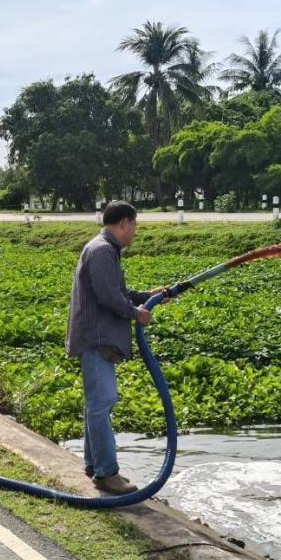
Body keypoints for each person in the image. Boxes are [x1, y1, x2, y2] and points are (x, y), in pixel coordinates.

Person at [65, 200, 163, 494]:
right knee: (102, 403)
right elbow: (109, 296)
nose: (135, 232)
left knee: (97, 403)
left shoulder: (105, 249)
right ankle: (107, 473)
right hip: (96, 338)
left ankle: (94, 463)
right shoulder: (102, 251)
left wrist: (149, 295)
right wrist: (137, 313)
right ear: (123, 223)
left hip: (97, 337)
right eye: (134, 226)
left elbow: (119, 292)